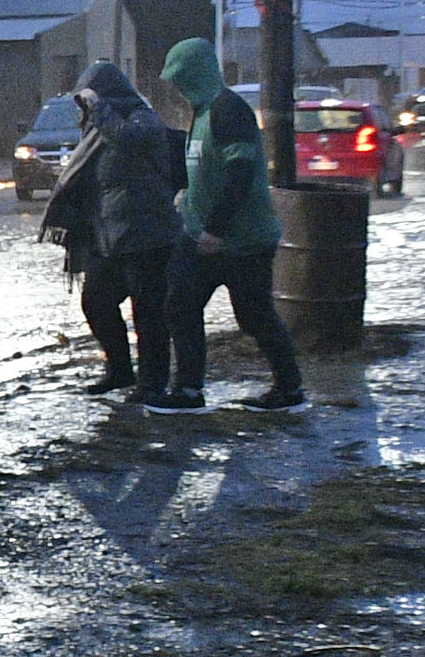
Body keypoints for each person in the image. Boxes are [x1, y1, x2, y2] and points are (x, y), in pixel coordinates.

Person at [156, 36, 307, 414]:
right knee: (180, 305)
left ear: (195, 73)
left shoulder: (228, 111)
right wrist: (187, 201)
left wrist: (216, 229)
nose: (175, 88)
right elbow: (204, 169)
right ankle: (188, 390)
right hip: (204, 236)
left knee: (255, 316)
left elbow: (239, 172)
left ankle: (289, 388)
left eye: (179, 78)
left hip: (240, 241)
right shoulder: (203, 112)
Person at [35, 60, 183, 395]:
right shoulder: (95, 131)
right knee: (96, 302)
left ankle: (152, 383)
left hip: (147, 235)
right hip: (109, 240)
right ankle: (119, 369)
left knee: (148, 314)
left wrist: (101, 110)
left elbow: (131, 139)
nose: (85, 109)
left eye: (89, 101)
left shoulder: (140, 118)